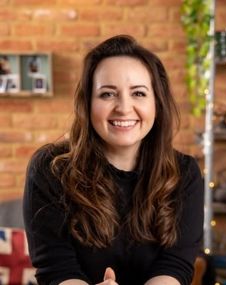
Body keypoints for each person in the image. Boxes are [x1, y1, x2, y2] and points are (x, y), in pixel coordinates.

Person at [23, 35, 204, 285]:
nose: (124, 107)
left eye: (139, 93)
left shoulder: (185, 173)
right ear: (87, 104)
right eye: (108, 94)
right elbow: (56, 269)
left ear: (157, 103)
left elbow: (175, 264)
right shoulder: (50, 168)